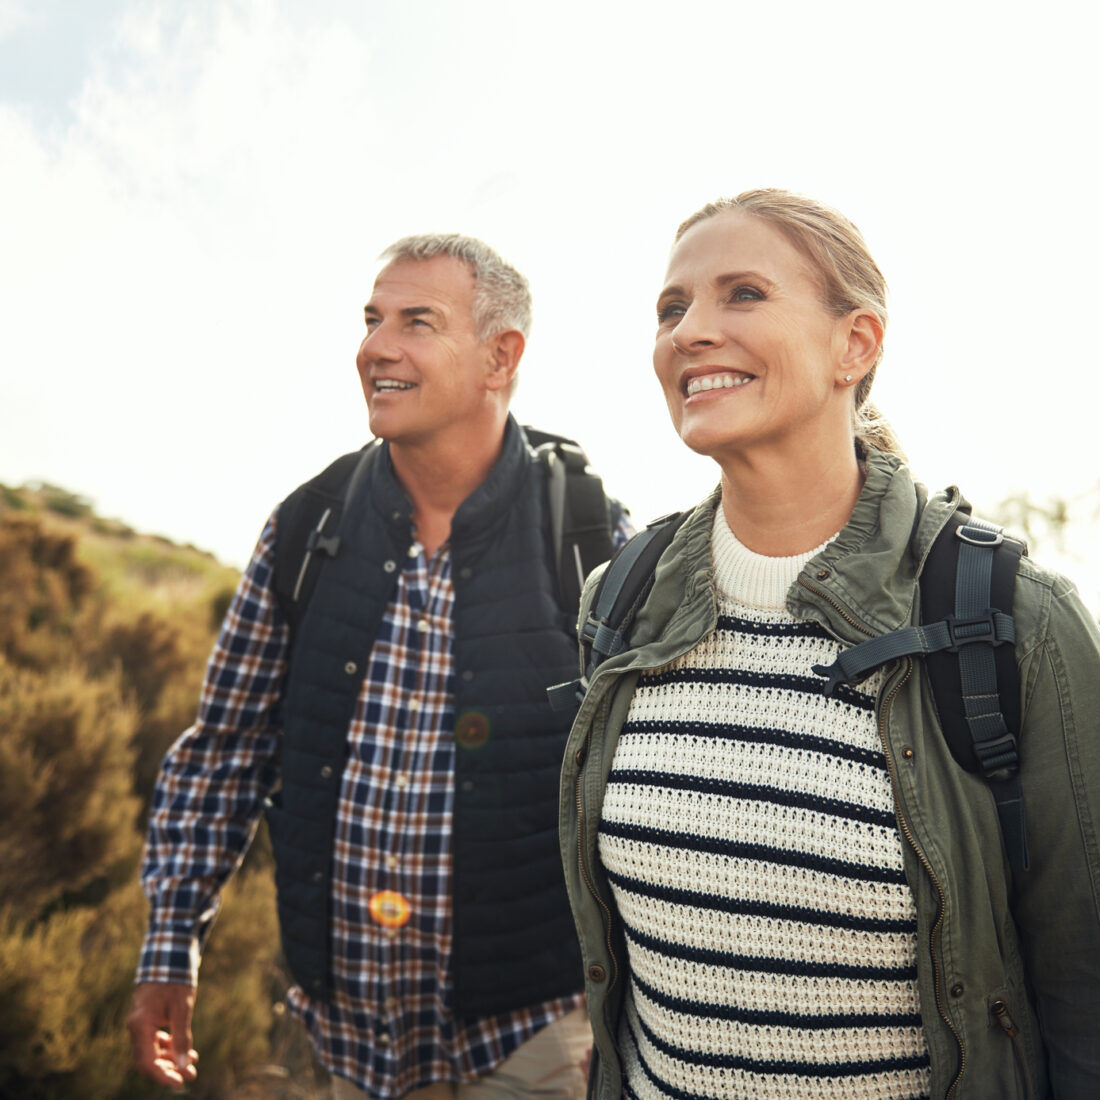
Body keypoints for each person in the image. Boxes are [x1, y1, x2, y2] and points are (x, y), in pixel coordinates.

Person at [560, 189, 1100, 1098]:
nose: (691, 330)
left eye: (743, 294)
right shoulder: (620, 602)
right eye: (672, 307)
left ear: (856, 345)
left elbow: (1087, 1002)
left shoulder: (1015, 620)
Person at [127, 233, 630, 1099]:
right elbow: (224, 753)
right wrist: (171, 947)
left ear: (499, 357)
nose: (374, 347)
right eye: (371, 319)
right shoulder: (306, 527)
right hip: (347, 1044)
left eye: (417, 322)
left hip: (537, 1038)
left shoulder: (589, 533)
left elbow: (637, 787)